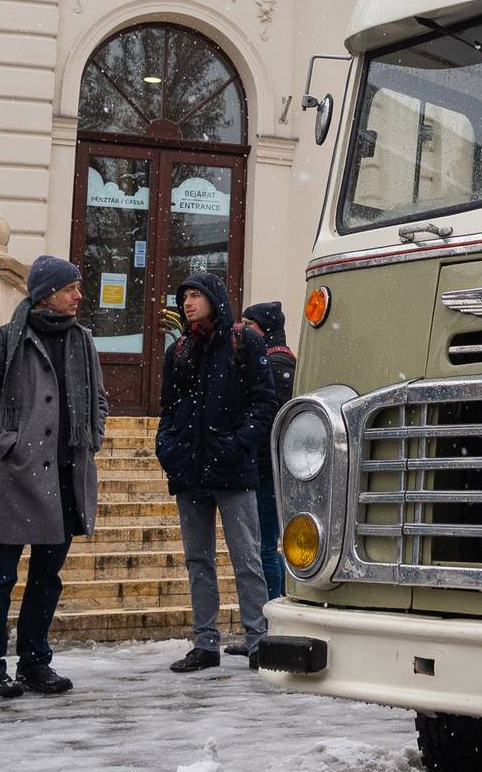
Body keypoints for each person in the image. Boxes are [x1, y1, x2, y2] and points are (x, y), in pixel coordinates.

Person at [0, 255, 106, 699]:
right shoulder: (5, 341)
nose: (79, 295)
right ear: (46, 294)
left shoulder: (83, 342)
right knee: (0, 576)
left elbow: (99, 401)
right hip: (20, 478)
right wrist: (14, 445)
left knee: (47, 576)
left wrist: (93, 437)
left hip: (67, 477)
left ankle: (34, 661)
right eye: (70, 288)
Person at [157, 273, 274, 672]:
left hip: (233, 471)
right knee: (198, 561)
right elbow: (169, 408)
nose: (187, 303)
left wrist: (236, 444)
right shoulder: (179, 350)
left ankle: (258, 641)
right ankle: (205, 643)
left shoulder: (245, 342)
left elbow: (264, 403)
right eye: (184, 296)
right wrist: (167, 447)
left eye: (195, 295)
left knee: (247, 559)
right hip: (189, 471)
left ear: (214, 298)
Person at [236, 301, 294, 606]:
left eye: (248, 325)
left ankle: (271, 609)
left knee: (265, 547)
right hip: (276, 469)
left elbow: (270, 423)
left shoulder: (272, 367)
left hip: (267, 471)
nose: (241, 330)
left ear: (264, 330)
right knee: (270, 545)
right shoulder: (286, 363)